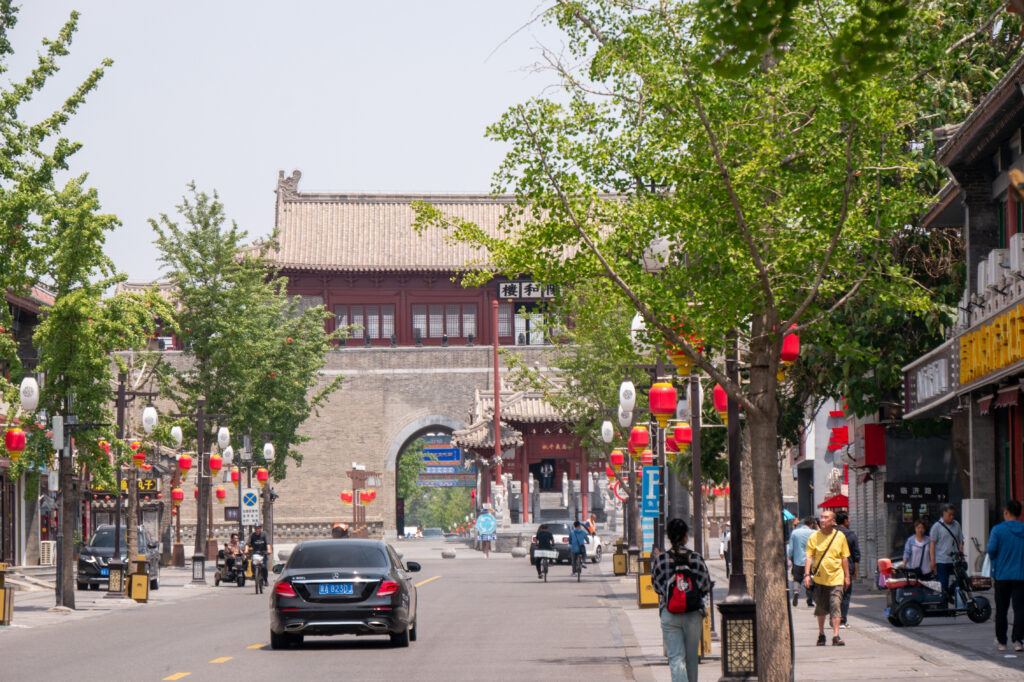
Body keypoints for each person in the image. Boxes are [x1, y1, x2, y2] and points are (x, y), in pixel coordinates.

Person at [651, 518, 712, 682]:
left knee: (676, 659)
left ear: (669, 537)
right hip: (693, 615)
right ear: (686, 536)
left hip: (670, 614)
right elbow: (705, 585)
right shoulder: (696, 558)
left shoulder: (660, 560)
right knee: (692, 659)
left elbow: (656, 587)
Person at [803, 510, 851, 646]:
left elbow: (844, 557)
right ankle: (821, 633)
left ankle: (836, 635)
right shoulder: (814, 537)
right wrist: (806, 575)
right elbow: (809, 556)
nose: (822, 520)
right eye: (821, 517)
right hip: (819, 578)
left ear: (833, 521)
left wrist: (847, 577)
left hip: (837, 577)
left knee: (836, 604)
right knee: (821, 608)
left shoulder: (840, 536)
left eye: (826, 517)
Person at [987, 499, 1024, 652]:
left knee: (1001, 609)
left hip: (1002, 575)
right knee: (1020, 609)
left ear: (1006, 512)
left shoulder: (997, 530)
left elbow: (991, 550)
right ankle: (1018, 641)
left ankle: (1002, 642)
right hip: (1021, 575)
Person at [930, 503, 964, 603]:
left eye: (953, 515)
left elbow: (960, 541)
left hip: (955, 560)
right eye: (949, 515)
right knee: (942, 584)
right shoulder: (936, 527)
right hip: (941, 560)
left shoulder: (956, 524)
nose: (951, 517)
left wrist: (961, 555)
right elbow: (932, 545)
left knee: (961, 579)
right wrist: (932, 561)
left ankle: (949, 593)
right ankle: (943, 605)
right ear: (943, 514)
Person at [835, 511, 860, 628]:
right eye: (848, 519)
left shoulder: (830, 533)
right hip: (847, 569)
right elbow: (856, 555)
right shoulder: (851, 535)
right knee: (845, 594)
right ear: (845, 521)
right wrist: (856, 571)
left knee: (834, 594)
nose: (849, 521)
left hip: (832, 568)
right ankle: (842, 620)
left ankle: (834, 618)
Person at [787, 516, 815, 607]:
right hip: (811, 561)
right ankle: (809, 600)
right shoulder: (814, 533)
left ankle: (796, 592)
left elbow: (790, 548)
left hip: (798, 560)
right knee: (810, 579)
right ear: (812, 524)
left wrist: (790, 557)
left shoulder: (795, 532)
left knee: (797, 579)